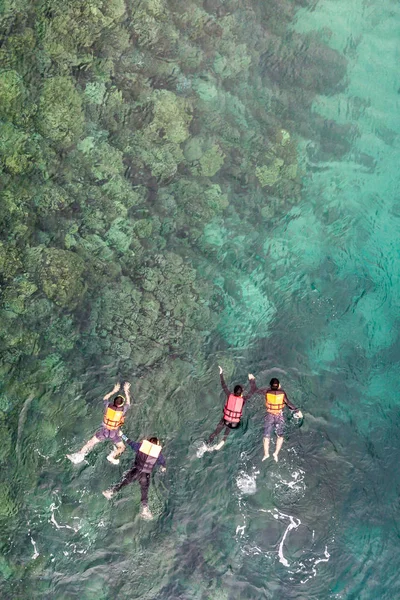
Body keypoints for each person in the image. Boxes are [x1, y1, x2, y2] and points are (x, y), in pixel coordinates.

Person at [67, 381, 131, 465]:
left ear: (114, 401)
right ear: (121, 404)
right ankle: (112, 456)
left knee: (90, 443)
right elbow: (128, 403)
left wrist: (114, 391)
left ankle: (78, 457)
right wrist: (126, 390)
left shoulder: (108, 406)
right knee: (122, 447)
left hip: (104, 431)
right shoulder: (123, 410)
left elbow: (105, 398)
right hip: (114, 433)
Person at [102, 435, 166, 520]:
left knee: (123, 482)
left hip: (135, 471)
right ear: (157, 445)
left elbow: (129, 442)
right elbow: (162, 462)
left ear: (148, 441)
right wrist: (163, 467)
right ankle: (145, 510)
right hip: (145, 475)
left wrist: (122, 435)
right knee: (144, 492)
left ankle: (110, 492)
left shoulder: (140, 446)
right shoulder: (158, 454)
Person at [202, 366, 256, 452]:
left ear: (234, 392)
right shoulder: (243, 399)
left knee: (216, 432)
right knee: (229, 428)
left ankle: (206, 446)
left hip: (226, 419)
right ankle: (223, 440)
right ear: (241, 393)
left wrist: (221, 373)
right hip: (234, 423)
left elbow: (223, 385)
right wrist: (252, 380)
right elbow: (253, 390)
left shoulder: (229, 395)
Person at [255, 377, 303, 462]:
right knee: (280, 436)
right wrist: (297, 411)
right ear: (279, 386)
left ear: (270, 386)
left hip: (269, 415)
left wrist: (252, 380)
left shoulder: (266, 392)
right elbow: (288, 403)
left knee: (266, 436)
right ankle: (276, 453)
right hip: (279, 415)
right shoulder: (282, 393)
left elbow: (255, 389)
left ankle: (266, 454)